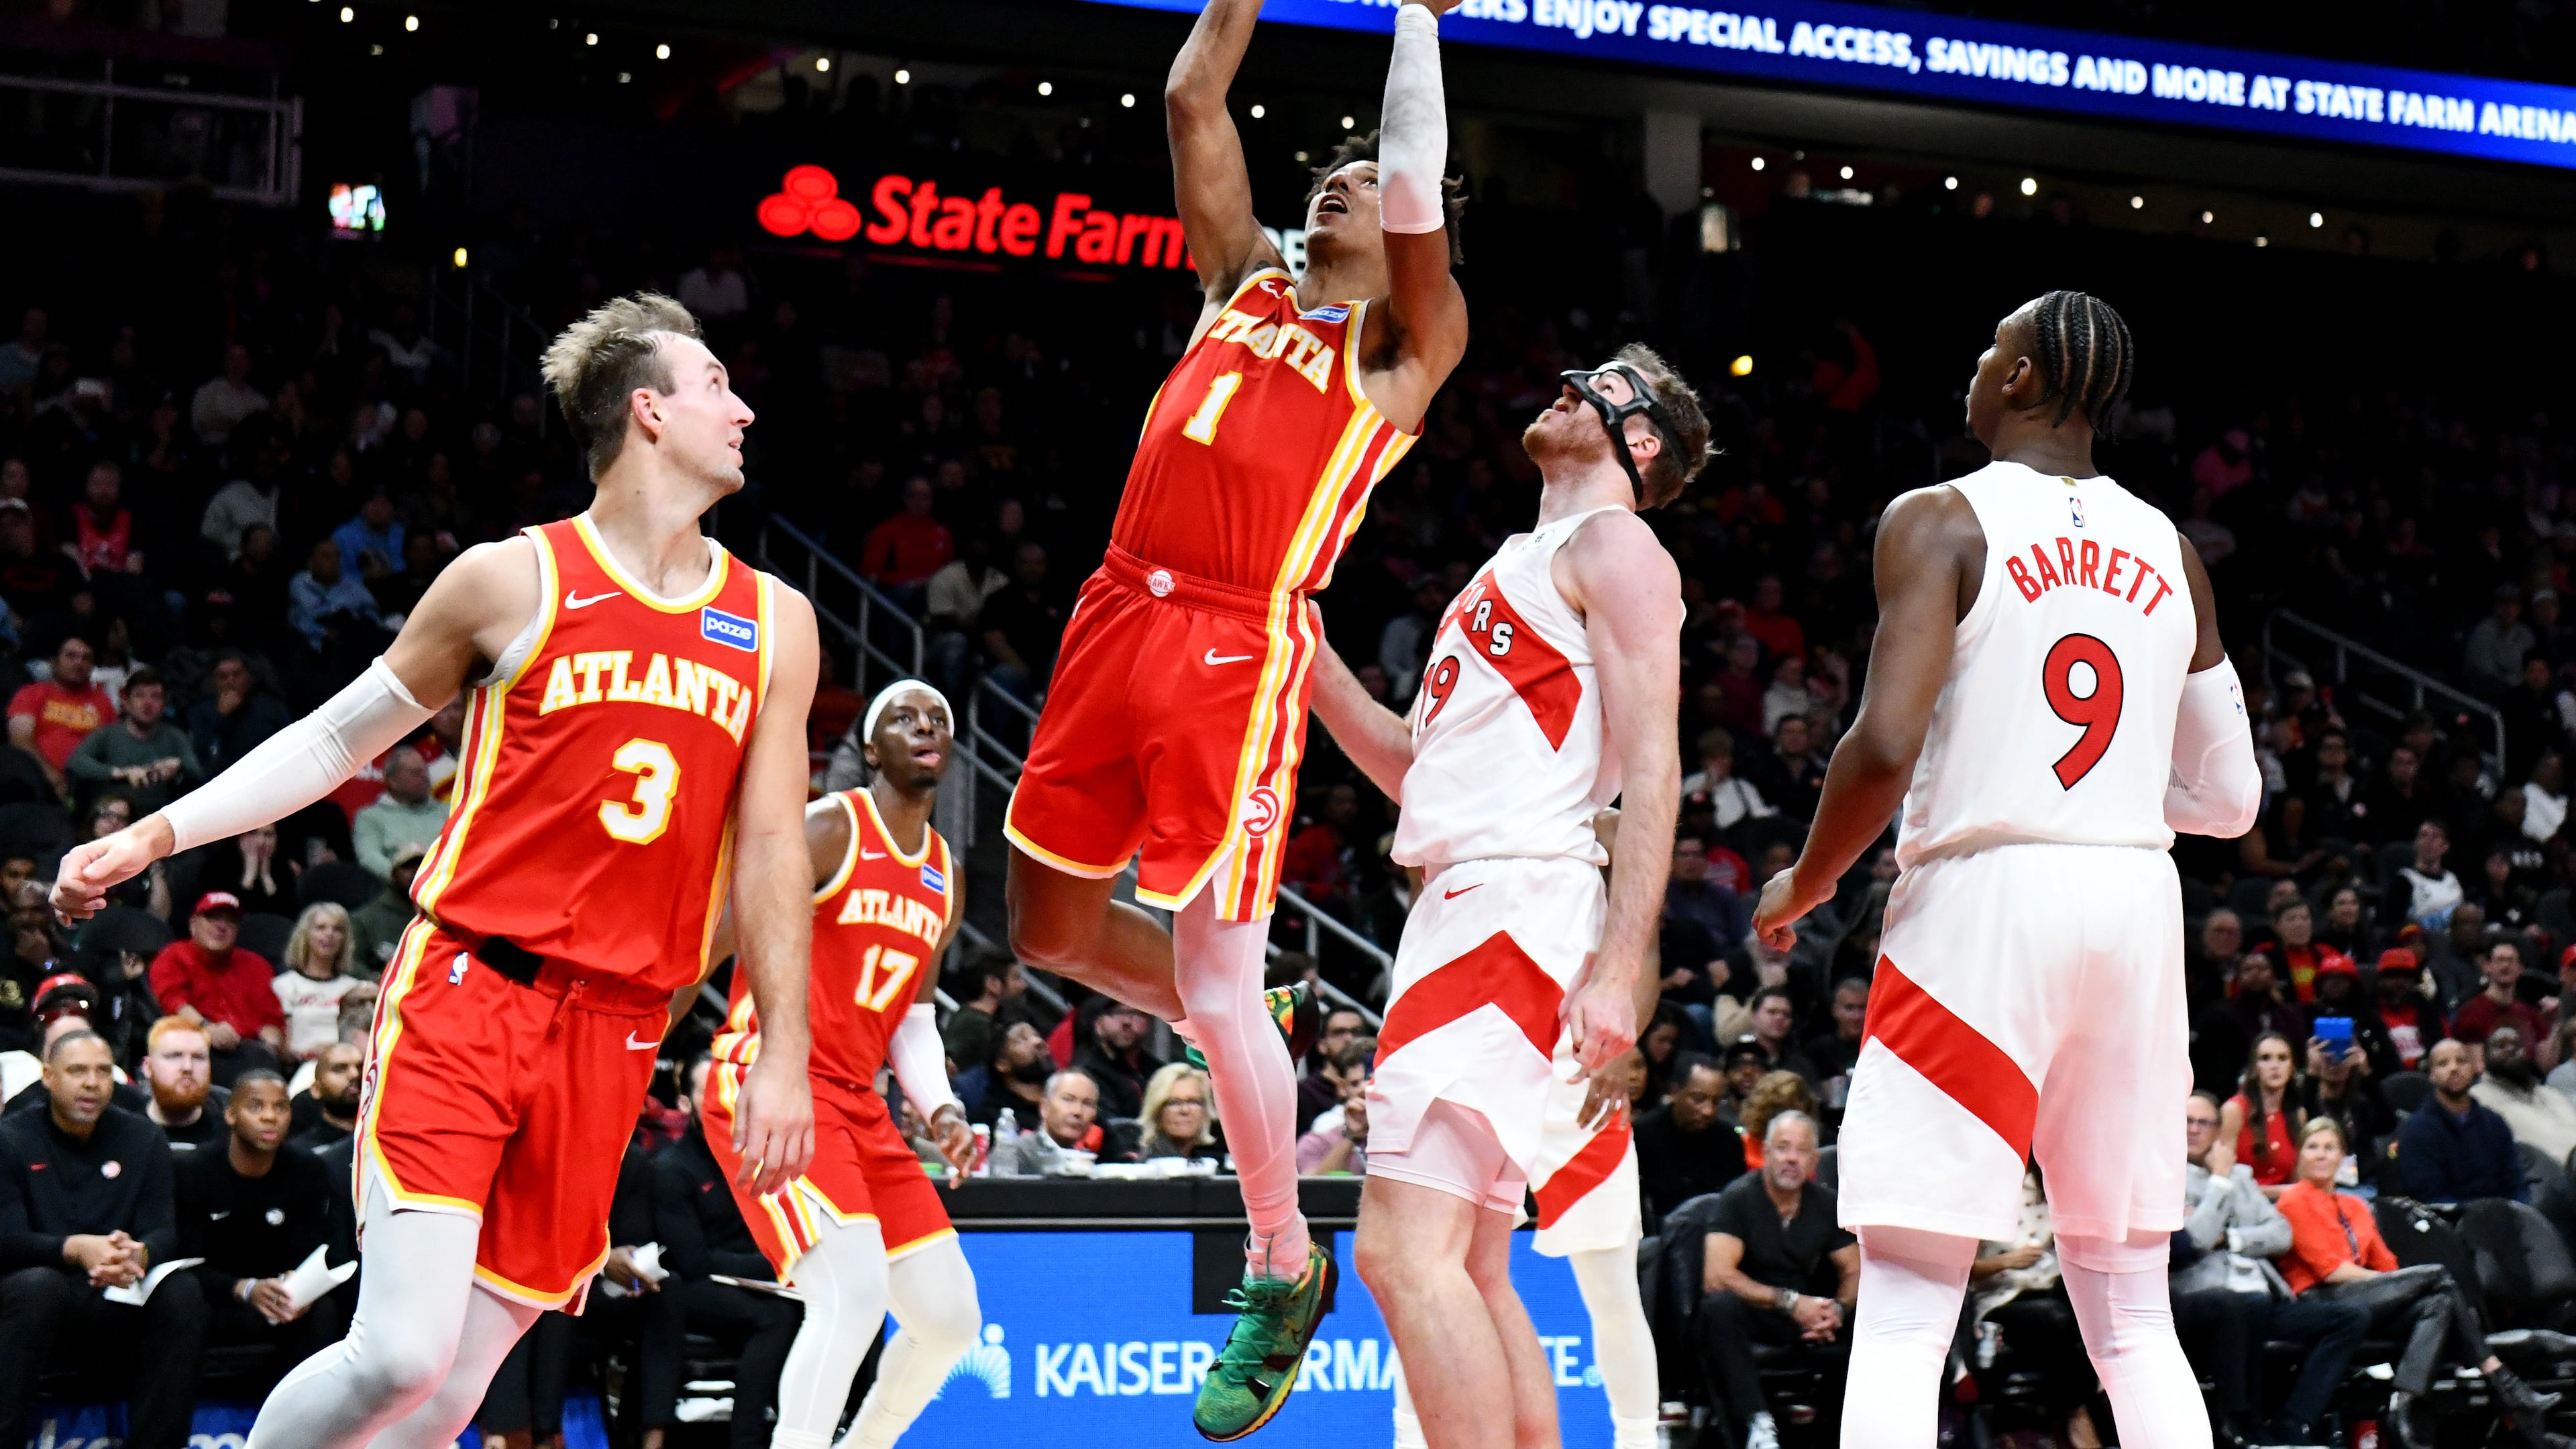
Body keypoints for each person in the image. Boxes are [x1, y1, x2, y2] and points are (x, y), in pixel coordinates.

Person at [50, 292, 822, 1449]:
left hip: (614, 1031)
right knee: (402, 1351)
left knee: (452, 1390)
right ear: (648, 411)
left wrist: (784, 1051)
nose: (746, 408)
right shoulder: (510, 581)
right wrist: (161, 833)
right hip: (471, 990)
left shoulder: (777, 622)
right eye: (719, 385)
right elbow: (332, 739)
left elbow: (769, 849)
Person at [999, 0, 1472, 1430]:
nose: (1337, 188)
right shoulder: (1240, 289)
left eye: (1361, 186)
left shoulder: (1401, 350)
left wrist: (1414, 22)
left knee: (1209, 974)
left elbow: (1405, 176)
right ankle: (1242, 1026)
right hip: (1113, 611)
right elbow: (1194, 101)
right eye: (1317, 179)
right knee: (1047, 931)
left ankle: (1280, 1260)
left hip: (1234, 641)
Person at [1752, 291, 2261, 1449]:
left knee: (1908, 1302)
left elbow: (1881, 746)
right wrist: (2124, 801)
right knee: (2132, 1311)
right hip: (2134, 904)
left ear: (2026, 378)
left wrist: (1811, 880)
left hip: (1983, 904)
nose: (1974, 372)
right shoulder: (2173, 550)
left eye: (1990, 351)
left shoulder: (1939, 520)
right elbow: (2233, 800)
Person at [1307, 342, 1697, 1449]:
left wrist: (1624, 963)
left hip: (1516, 900)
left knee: (1398, 1251)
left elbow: (1657, 765)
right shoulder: (1524, 557)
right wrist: (1309, 651)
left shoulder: (1618, 544)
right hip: (1475, 900)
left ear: (1643, 439)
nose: (1566, 385)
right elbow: (1411, 768)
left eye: (1597, 385)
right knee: (1473, 1262)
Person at [697, 680, 983, 1449]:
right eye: (903, 716)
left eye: (938, 718)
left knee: (951, 1319)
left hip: (858, 1102)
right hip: (772, 1080)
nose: (924, 725)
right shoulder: (831, 827)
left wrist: (944, 1111)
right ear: (870, 748)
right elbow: (716, 938)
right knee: (851, 1296)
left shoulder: (944, 876)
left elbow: (914, 1019)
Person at [2279, 1117, 2561, 1446]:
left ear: (2343, 1156)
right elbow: (2330, 1271)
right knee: (2437, 1276)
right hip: (2322, 1299)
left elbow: (2387, 1263)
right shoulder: (2293, 1201)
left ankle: (2405, 1402)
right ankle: (2504, 1383)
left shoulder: (2355, 1206)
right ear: (2300, 1156)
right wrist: (2394, 1284)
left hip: (2366, 1297)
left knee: (2439, 1303)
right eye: (2313, 1148)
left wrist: (2394, 1285)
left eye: (2330, 1148)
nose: (2321, 1155)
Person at [0, 1030, 207, 1449]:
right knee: (35, 1286)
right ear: (48, 1076)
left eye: (101, 1071)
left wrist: (140, 1253)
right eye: (77, 1071)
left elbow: (165, 1230)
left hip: (120, 1292)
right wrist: (75, 1249)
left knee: (182, 1293)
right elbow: (8, 1240)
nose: (92, 1083)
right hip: (47, 1295)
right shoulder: (11, 1139)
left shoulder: (142, 1137)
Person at [2175, 1091, 2368, 1447]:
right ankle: (2240, 1424)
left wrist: (2230, 1238)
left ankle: (2295, 1422)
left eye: (2203, 1123)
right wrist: (2218, 1183)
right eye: (2187, 1121)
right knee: (2242, 1306)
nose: (2194, 1130)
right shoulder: (2166, 1180)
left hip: (2262, 1298)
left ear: (2218, 1130)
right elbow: (2197, 1239)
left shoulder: (2242, 1177)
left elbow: (2280, 1234)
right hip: (2205, 1304)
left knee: (2350, 1319)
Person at [656, 1058, 804, 1449]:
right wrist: (774, 1268)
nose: (726, 1102)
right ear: (686, 1104)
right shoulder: (672, 1169)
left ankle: (815, 1427)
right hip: (690, 1287)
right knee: (776, 1317)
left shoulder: (756, 1158)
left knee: (822, 1306)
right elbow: (693, 1261)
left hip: (755, 1278)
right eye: (711, 1092)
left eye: (734, 1092)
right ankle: (747, 1439)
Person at [1693, 1113, 1858, 1449]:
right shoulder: (1738, 1199)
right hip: (1755, 1310)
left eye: (1801, 1151)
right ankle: (1758, 1423)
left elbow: (1854, 1270)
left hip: (1806, 1315)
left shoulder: (1825, 1203)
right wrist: (1790, 1302)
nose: (1791, 1159)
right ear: (1766, 1152)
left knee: (1865, 1317)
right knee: (1718, 1308)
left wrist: (1837, 1310)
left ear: (1814, 1159)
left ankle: (1840, 1432)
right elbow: (1716, 1275)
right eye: (1783, 1148)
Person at [177, 1069, 347, 1375]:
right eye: (256, 1106)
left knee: (324, 1309)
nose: (270, 1117)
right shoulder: (194, 1170)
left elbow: (316, 1249)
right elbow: (185, 1261)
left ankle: (310, 1418)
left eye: (280, 1107)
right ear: (231, 1115)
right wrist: (244, 1288)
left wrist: (299, 1285)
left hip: (280, 1300)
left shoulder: (308, 1170)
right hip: (219, 1299)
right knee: (181, 1299)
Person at [147, 893, 285, 1085]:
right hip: (194, 1049)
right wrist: (207, 1029)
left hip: (249, 1055)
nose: (222, 926)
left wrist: (272, 1042)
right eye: (213, 918)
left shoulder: (257, 965)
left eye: (231, 921)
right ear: (193, 923)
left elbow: (273, 1020)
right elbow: (173, 1003)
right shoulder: (173, 956)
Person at [2395, 1038, 2525, 1204]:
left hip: (2501, 1218)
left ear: (2473, 1068)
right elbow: (2428, 1197)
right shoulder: (2417, 1131)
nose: (2454, 1069)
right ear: (2432, 1075)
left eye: (2461, 1061)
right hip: (2449, 1223)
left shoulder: (2494, 1123)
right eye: (2443, 1064)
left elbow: (2515, 1182)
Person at [65, 666, 200, 816]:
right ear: (126, 702)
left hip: (159, 817)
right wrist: (120, 773)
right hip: (115, 817)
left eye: (155, 697)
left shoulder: (175, 736)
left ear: (164, 704)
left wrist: (178, 767)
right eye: (139, 696)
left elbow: (197, 771)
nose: (147, 703)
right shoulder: (107, 734)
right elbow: (76, 762)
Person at [1635, 1053, 1750, 1222]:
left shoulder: (1729, 1141)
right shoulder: (1643, 1135)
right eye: (1699, 1099)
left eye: (1716, 1101)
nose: (1708, 1111)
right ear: (1675, 1092)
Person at [8, 633, 115, 798]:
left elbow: (114, 747)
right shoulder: (31, 694)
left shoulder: (103, 701)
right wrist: (52, 776)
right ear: (54, 662)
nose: (79, 663)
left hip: (90, 785)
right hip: (39, 782)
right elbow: (20, 740)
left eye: (86, 658)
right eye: (71, 656)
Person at [273, 903, 367, 1062]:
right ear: (305, 935)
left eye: (337, 929)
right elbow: (280, 1042)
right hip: (298, 1065)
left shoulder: (355, 988)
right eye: (321, 928)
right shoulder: (283, 985)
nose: (329, 934)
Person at [2470, 1024, 2576, 1165]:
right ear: (2483, 1060)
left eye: (2517, 1045)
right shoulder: (2478, 1100)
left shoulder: (2549, 1094)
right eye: (2501, 1046)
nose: (2511, 1049)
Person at [992, 1068, 1125, 1174]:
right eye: (1068, 1100)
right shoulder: (1014, 1152)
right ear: (1044, 1108)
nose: (1078, 1111)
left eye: (1087, 1104)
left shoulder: (1086, 1161)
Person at [2217, 1032, 2304, 1193]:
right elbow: (2223, 1178)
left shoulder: (2297, 1114)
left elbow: (2299, 1178)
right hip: (2242, 1204)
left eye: (2282, 1058)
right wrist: (2282, 1191)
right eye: (2265, 1058)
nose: (2275, 1066)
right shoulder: (2235, 1110)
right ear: (2254, 1069)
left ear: (2292, 1068)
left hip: (2285, 1205)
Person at [350, 749, 447, 879]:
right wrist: (399, 876)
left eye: (425, 771)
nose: (425, 777)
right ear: (393, 781)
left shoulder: (449, 811)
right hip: (396, 891)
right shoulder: (369, 817)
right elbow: (368, 857)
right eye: (415, 773)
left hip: (450, 883)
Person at [140, 1016, 229, 1152]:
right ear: (148, 1067)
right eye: (174, 1056)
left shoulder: (228, 1139)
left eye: (198, 1057)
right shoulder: (124, 1135)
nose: (188, 1067)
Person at [1073, 997, 1164, 1124]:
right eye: (1116, 1013)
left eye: (1135, 1013)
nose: (1126, 1021)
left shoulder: (1160, 1072)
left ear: (1148, 1021)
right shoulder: (1086, 1073)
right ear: (1098, 1024)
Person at [2453, 939, 2546, 1050]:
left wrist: (2555, 1023)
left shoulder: (2530, 1015)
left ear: (2520, 969)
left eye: (2511, 961)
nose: (2506, 966)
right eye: (2500, 960)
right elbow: (2477, 1065)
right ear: (2487, 967)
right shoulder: (2471, 1013)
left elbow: (2545, 1065)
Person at [1139, 1061, 1226, 1163]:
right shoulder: (1149, 1166)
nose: (1185, 1110)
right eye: (1174, 1103)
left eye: (1193, 1102)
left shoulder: (1207, 1164)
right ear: (1157, 1111)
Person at [288, 1041, 364, 1154]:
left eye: (361, 1067)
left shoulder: (383, 1138)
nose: (355, 1074)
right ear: (316, 1089)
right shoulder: (300, 1152)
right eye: (340, 1069)